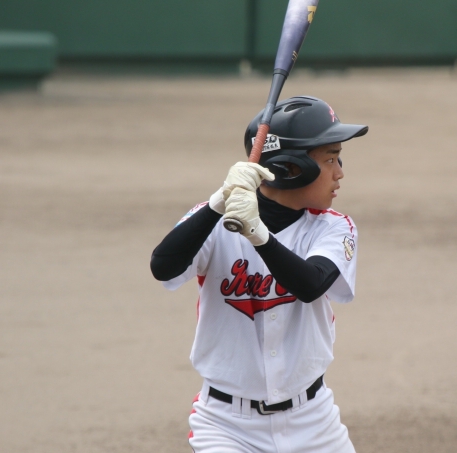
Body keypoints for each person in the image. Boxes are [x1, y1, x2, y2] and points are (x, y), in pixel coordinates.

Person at [150, 95, 368, 453]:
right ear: (291, 167)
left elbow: (310, 284)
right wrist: (218, 202)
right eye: (330, 159)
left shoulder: (333, 227)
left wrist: (258, 235)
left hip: (314, 422)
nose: (340, 172)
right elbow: (163, 267)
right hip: (226, 426)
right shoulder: (215, 219)